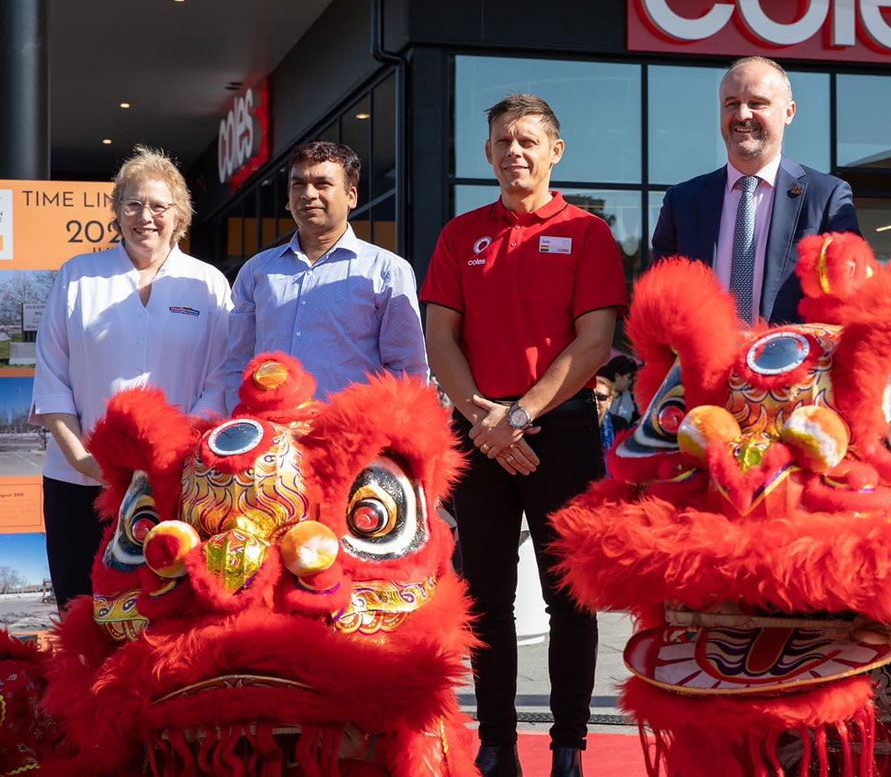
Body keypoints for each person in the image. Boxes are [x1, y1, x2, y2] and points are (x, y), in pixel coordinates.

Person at [421, 94, 627, 777]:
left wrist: (519, 414)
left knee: (570, 599)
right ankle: (498, 743)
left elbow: (594, 342)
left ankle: (568, 746)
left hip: (559, 431)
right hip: (478, 433)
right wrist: (486, 420)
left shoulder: (589, 234)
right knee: (486, 597)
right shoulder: (460, 235)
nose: (515, 152)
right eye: (503, 141)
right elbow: (440, 337)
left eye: (529, 141)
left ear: (555, 151)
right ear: (487, 153)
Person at [31, 146, 231, 609]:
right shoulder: (78, 277)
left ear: (179, 215)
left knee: (165, 613)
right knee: (83, 608)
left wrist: (171, 455)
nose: (146, 217)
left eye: (159, 206)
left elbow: (221, 380)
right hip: (81, 481)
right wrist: (82, 458)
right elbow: (52, 377)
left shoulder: (207, 284)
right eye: (133, 204)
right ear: (117, 211)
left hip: (176, 482)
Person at [651, 56, 860, 325]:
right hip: (703, 365)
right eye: (731, 104)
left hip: (793, 363)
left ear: (789, 112)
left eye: (757, 103)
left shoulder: (827, 197)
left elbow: (849, 303)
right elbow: (660, 301)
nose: (742, 115)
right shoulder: (682, 202)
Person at [219, 142, 428, 410]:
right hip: (271, 438)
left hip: (350, 438)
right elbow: (238, 363)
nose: (308, 194)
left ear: (351, 196)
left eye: (322, 184)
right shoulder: (256, 271)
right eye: (298, 184)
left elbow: (407, 369)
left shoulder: (386, 270)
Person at [594, 371, 629, 451]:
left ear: (610, 401)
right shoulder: (576, 423)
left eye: (601, 397)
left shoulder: (619, 424)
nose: (595, 401)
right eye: (591, 397)